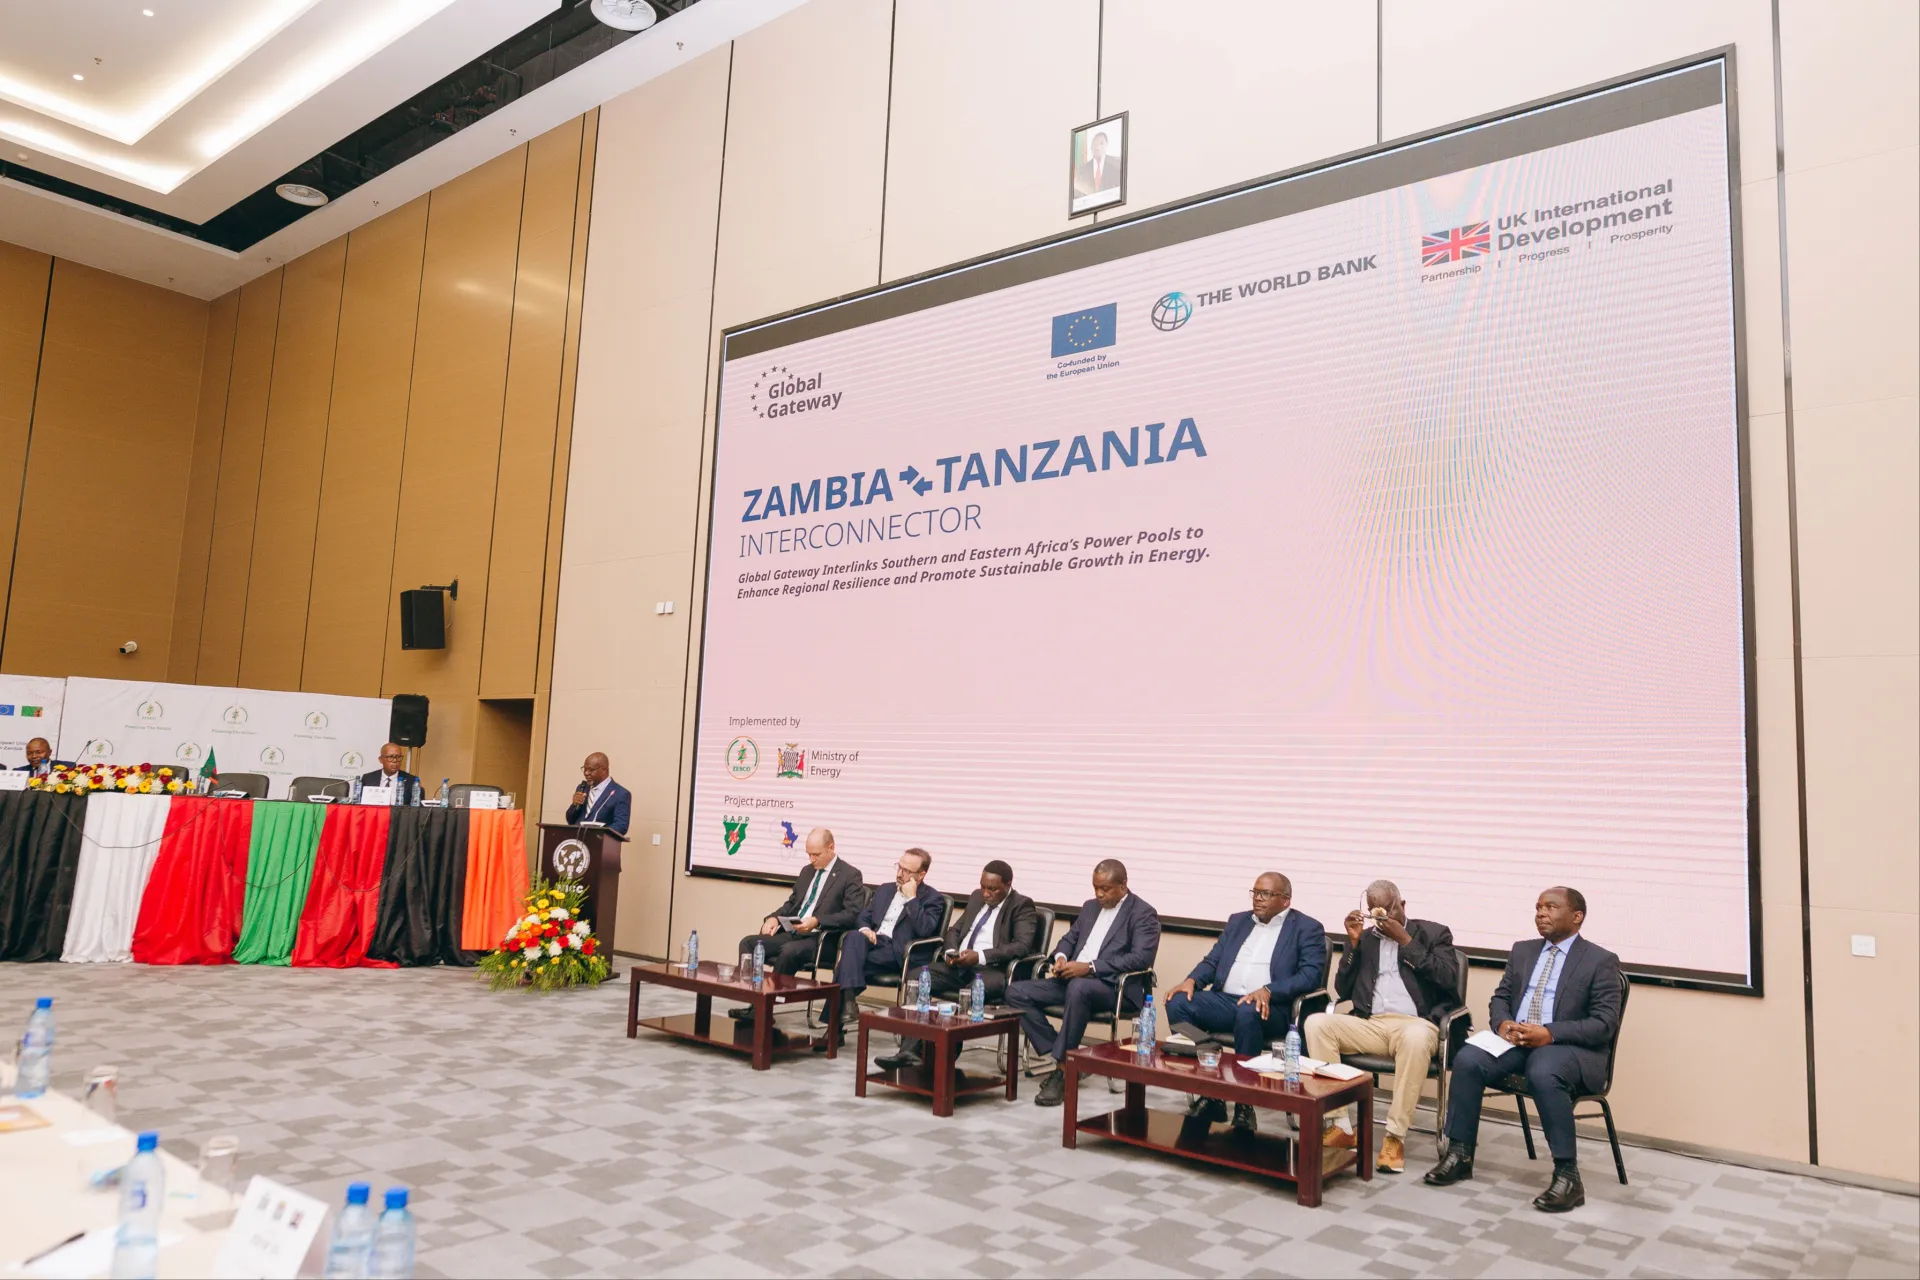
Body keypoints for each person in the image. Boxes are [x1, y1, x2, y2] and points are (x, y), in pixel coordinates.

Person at [1425, 886, 1622, 1212]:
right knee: (1468, 1058)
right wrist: (1503, 1024)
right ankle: (1460, 1154)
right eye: (1538, 907)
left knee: (1543, 1071)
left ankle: (1568, 1176)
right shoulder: (1523, 951)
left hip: (1568, 1048)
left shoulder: (1600, 961)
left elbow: (1603, 1024)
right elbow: (1501, 997)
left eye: (1551, 907)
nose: (1541, 913)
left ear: (1577, 917)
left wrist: (1549, 1033)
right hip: (1517, 1042)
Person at [1303, 879, 1460, 1173]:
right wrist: (1352, 945)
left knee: (1414, 1038)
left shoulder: (1433, 933)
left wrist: (1406, 942)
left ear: (1402, 905)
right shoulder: (1367, 939)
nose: (1384, 918)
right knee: (1317, 1023)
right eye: (1376, 912)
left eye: (1390, 910)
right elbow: (1343, 989)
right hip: (1372, 1024)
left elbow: (1448, 978)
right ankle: (1339, 1125)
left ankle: (1395, 1137)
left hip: (1416, 1025)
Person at [1165, 872, 1325, 1132]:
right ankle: (1211, 1089)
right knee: (1178, 1002)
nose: (1258, 899)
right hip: (1227, 1001)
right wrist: (1192, 980)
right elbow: (1213, 960)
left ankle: (1244, 1103)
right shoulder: (1238, 921)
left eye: (1266, 894)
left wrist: (1269, 990)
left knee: (1248, 1011)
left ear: (1286, 900)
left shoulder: (1307, 928)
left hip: (1271, 1008)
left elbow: (1310, 976)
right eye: (1256, 892)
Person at [1007, 859, 1160, 1107]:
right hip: (1074, 981)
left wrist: (1090, 967)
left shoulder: (1142, 913)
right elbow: (1069, 939)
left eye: (1105, 888)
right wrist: (1061, 958)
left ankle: (1063, 1071)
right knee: (1016, 991)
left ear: (1123, 885)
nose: (1099, 894)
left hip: (1113, 988)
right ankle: (1066, 1055)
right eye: (1095, 887)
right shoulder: (1090, 907)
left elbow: (1140, 958)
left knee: (1079, 987)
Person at [877, 859, 1041, 1070]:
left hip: (993, 970)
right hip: (960, 965)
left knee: (970, 993)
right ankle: (908, 1051)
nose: (986, 893)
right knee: (916, 978)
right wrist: (951, 952)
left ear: (1008, 885)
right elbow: (954, 931)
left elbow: (1021, 946)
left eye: (992, 889)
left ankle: (942, 1059)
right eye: (983, 886)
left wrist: (980, 956)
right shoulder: (976, 897)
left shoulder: (1021, 905)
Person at [731, 828, 866, 1014]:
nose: (812, 859)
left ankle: (762, 1011)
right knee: (748, 943)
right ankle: (753, 998)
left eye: (816, 855)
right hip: (794, 932)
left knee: (789, 951)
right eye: (808, 854)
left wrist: (817, 921)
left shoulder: (850, 875)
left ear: (831, 848)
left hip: (821, 939)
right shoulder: (807, 871)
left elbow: (851, 915)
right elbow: (792, 903)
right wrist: (773, 918)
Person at [821, 847, 944, 1042]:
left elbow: (925, 930)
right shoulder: (885, 889)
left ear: (921, 875)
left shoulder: (933, 899)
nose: (900, 874)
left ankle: (835, 1028)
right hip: (874, 942)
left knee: (845, 965)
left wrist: (912, 899)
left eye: (906, 871)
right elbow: (863, 917)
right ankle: (848, 1001)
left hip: (899, 951)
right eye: (899, 867)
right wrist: (865, 930)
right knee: (853, 936)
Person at [565, 752, 630, 836]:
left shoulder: (620, 794)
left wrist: (599, 835)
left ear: (604, 770)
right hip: (576, 839)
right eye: (584, 769)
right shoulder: (582, 788)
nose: (586, 773)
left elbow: (621, 826)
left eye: (591, 770)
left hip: (600, 841)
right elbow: (571, 820)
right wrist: (574, 805)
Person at [357, 744, 422, 806]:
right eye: (390, 757)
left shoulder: (412, 781)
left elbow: (418, 809)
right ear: (381, 759)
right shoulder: (368, 779)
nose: (395, 760)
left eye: (398, 757)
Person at [1074, 129, 1119, 196]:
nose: (1098, 147)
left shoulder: (1117, 164)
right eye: (1095, 144)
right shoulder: (1082, 170)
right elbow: (1076, 194)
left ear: (1107, 145)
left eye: (1101, 143)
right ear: (1091, 148)